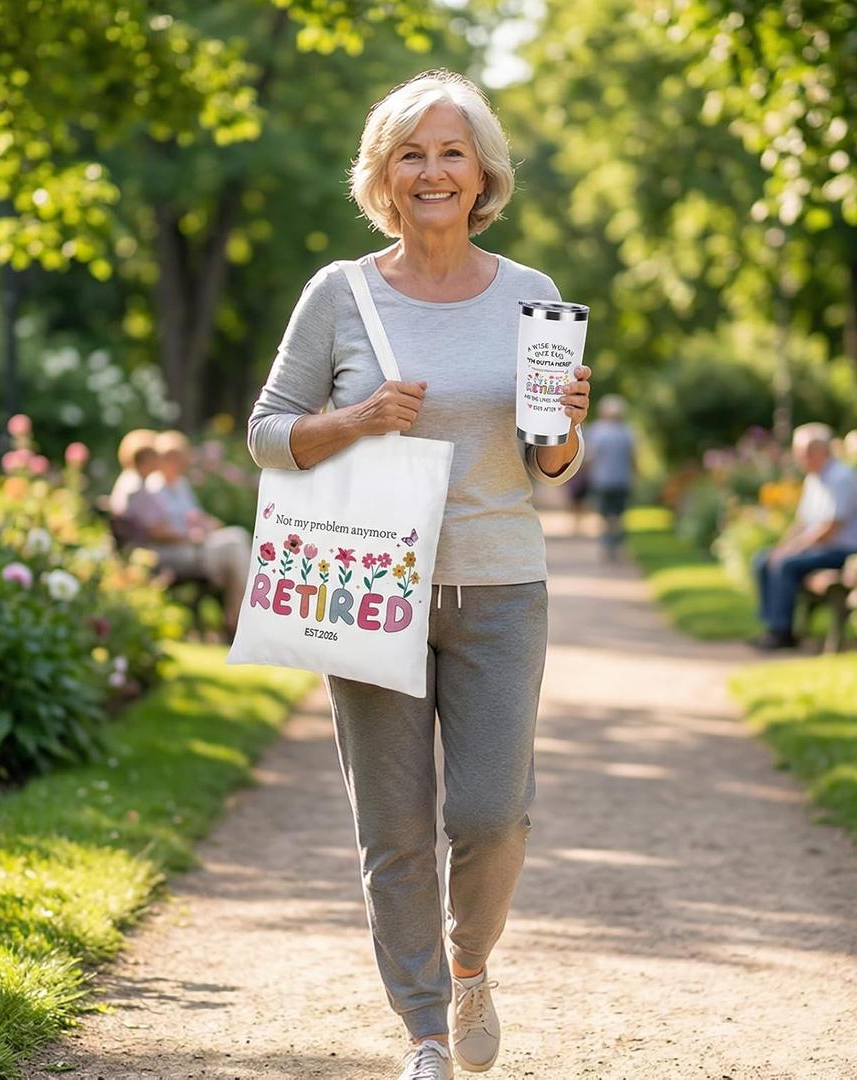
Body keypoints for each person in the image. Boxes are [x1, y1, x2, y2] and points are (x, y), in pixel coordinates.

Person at [247, 71, 590, 1080]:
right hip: (367, 582)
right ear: (383, 176)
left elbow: (552, 466)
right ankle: (427, 1033)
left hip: (498, 583)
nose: (432, 171)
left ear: (483, 171)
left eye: (450, 152)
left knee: (492, 814)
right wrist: (352, 420)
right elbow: (267, 434)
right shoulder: (339, 294)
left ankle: (471, 963)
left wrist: (567, 424)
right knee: (392, 831)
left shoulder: (531, 294)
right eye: (411, 153)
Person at [751, 422, 857, 650]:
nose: (798, 458)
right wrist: (782, 547)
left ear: (819, 451)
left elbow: (830, 527)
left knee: (786, 564)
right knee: (763, 560)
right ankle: (771, 627)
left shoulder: (841, 477)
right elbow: (802, 523)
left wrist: (793, 550)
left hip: (845, 551)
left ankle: (782, 632)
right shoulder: (814, 478)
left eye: (802, 453)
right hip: (823, 549)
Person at [138, 430, 252, 634]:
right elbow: (155, 531)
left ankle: (237, 618)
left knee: (237, 538)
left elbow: (195, 515)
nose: (179, 464)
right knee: (235, 548)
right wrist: (189, 535)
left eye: (181, 458)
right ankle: (238, 620)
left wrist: (208, 524)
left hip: (196, 543)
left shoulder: (180, 485)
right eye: (173, 458)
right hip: (176, 550)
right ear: (162, 459)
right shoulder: (154, 488)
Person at [583, 395, 635, 558]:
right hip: (622, 479)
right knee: (617, 515)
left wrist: (586, 472)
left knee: (604, 514)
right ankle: (615, 542)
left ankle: (607, 543)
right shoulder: (627, 431)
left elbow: (590, 456)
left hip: (602, 479)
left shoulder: (598, 430)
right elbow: (632, 457)